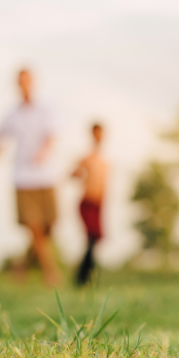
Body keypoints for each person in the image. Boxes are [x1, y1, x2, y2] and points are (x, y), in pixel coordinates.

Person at [0, 69, 61, 286]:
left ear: (33, 82)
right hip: (23, 178)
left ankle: (22, 266)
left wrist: (44, 151)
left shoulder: (46, 110)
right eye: (21, 82)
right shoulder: (11, 115)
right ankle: (51, 272)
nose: (24, 85)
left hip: (46, 176)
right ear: (17, 84)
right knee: (35, 227)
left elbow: (52, 136)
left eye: (28, 81)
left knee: (49, 226)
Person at [72, 122, 109, 286]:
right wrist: (81, 174)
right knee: (92, 238)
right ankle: (83, 276)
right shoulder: (86, 158)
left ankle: (86, 276)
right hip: (87, 202)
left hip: (99, 204)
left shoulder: (104, 161)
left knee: (94, 239)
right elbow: (72, 174)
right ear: (92, 134)